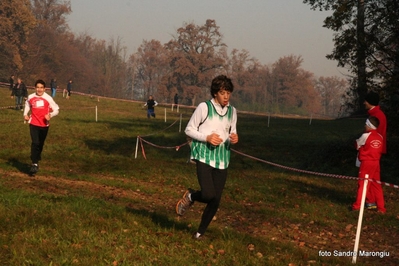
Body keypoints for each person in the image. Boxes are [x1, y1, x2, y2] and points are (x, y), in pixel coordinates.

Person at [175, 75, 239, 239]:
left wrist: (234, 137)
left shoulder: (232, 111)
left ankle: (199, 233)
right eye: (223, 93)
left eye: (228, 93)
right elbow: (189, 130)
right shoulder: (204, 107)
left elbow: (232, 131)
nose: (226, 97)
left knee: (215, 200)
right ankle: (191, 196)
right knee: (208, 194)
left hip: (223, 159)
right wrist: (207, 137)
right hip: (204, 155)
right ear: (215, 93)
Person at [24, 79, 59, 176]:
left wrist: (50, 115)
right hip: (33, 123)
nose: (39, 89)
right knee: (35, 142)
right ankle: (34, 163)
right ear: (35, 88)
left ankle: (37, 157)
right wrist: (25, 114)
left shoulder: (48, 98)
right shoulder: (31, 97)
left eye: (41, 88)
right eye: (38, 87)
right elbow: (27, 105)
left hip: (44, 125)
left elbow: (56, 109)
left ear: (44, 89)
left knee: (40, 143)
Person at [352, 116, 385, 213]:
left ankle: (357, 206)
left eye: (366, 124)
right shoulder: (380, 137)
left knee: (362, 184)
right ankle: (381, 208)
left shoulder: (365, 136)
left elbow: (357, 145)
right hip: (376, 163)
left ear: (370, 126)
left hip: (366, 162)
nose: (365, 126)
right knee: (376, 185)